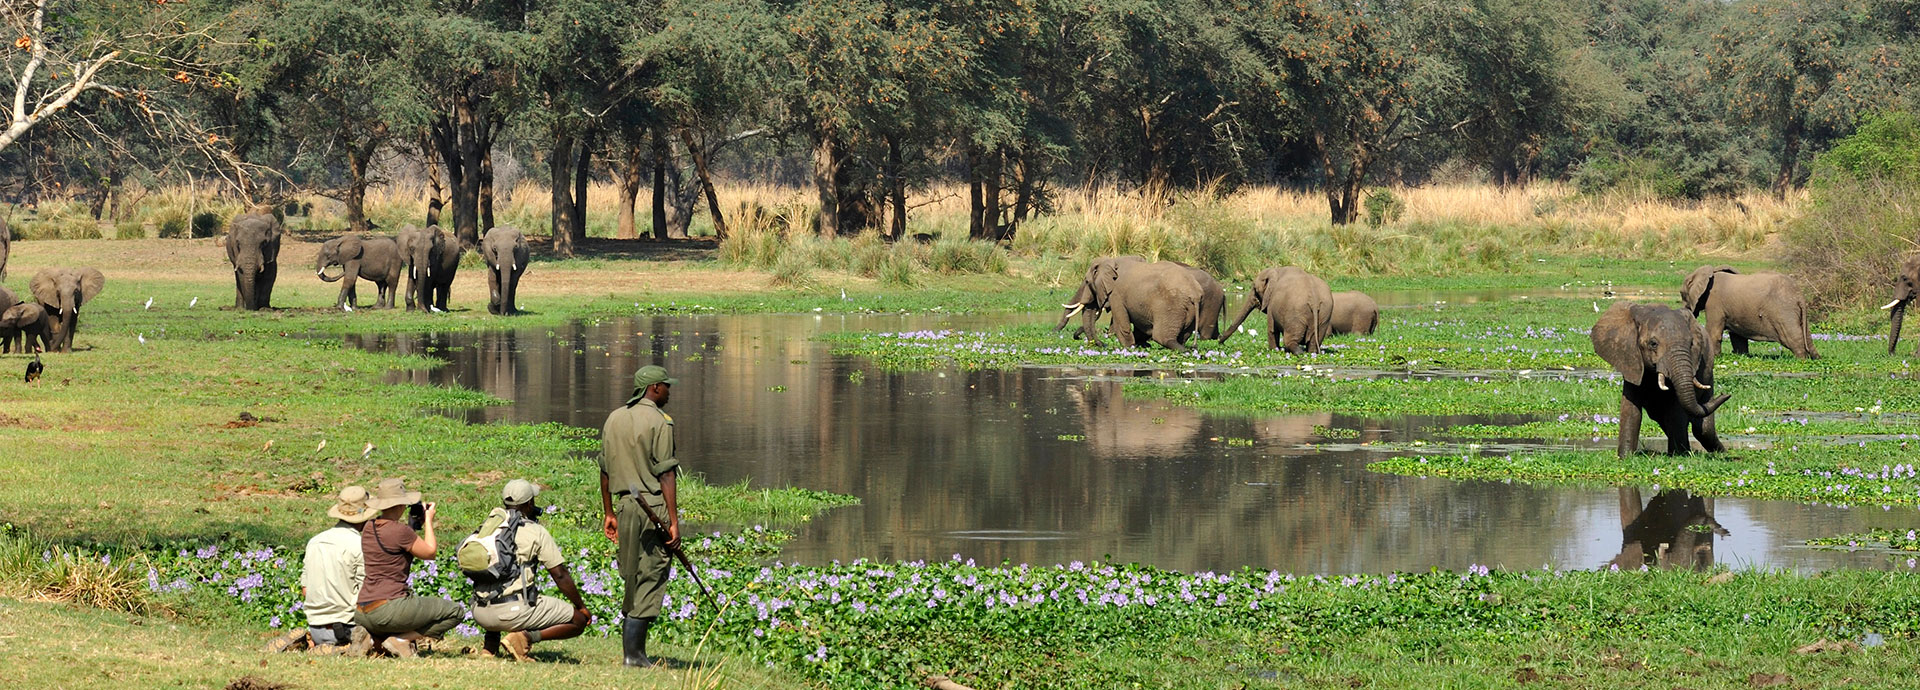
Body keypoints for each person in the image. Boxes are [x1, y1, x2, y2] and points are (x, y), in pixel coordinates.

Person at [600, 364, 682, 667]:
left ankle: (632, 653)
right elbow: (666, 474)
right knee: (652, 572)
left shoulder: (614, 418)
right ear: (654, 388)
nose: (669, 391)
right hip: (653, 507)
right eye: (666, 386)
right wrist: (673, 522)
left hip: (624, 506)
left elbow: (604, 469)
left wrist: (609, 512)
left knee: (632, 573)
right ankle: (633, 655)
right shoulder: (661, 422)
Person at [466, 479, 592, 661]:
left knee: (496, 581)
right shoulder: (535, 531)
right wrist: (581, 606)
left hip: (479, 611)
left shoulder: (488, 527)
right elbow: (559, 574)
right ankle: (523, 638)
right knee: (577, 620)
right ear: (530, 503)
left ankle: (490, 648)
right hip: (511, 612)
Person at [354, 478, 465, 658]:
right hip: (389, 609)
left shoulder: (368, 527)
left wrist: (412, 527)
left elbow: (394, 539)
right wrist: (428, 520)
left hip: (362, 610)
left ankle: (373, 639)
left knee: (391, 619)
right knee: (454, 611)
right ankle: (402, 640)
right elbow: (430, 552)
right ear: (399, 505)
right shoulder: (401, 531)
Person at [265, 485, 376, 654]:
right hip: (348, 629)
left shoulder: (315, 542)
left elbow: (305, 589)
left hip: (316, 625)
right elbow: (365, 594)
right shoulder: (360, 546)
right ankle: (344, 648)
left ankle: (309, 641)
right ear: (365, 515)